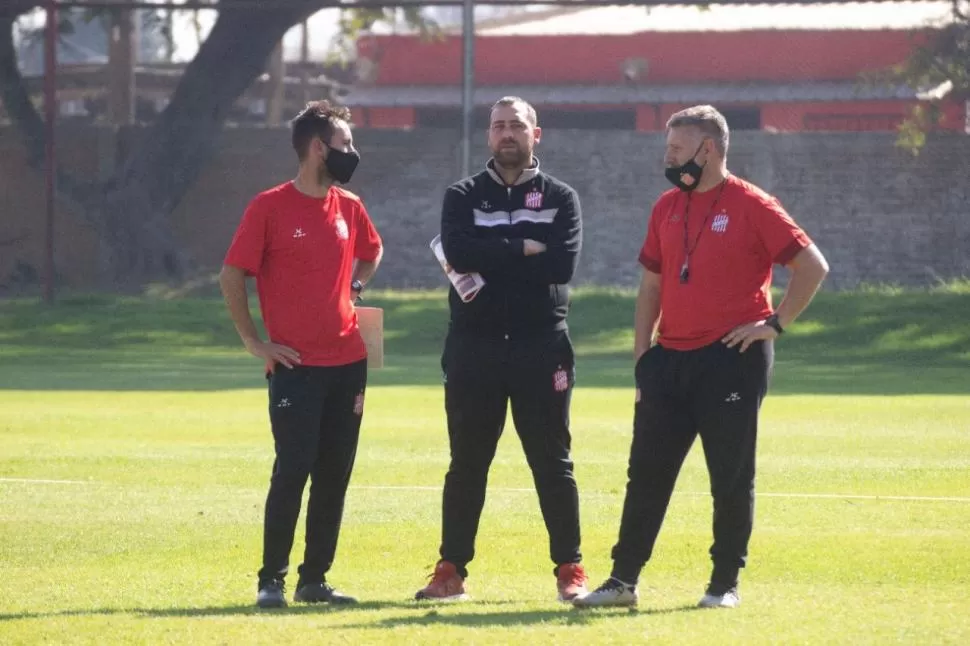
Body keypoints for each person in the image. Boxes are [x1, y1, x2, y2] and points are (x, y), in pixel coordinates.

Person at [575, 105, 829, 610]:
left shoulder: (752, 203)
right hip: (669, 361)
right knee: (645, 473)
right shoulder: (666, 206)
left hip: (732, 358)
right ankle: (622, 582)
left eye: (675, 148)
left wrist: (773, 325)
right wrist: (642, 356)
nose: (667, 157)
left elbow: (812, 265)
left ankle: (723, 585)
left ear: (706, 148)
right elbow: (651, 284)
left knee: (730, 475)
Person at [414, 96, 589, 602]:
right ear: (487, 136)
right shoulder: (462, 194)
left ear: (537, 134)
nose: (507, 133)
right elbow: (459, 251)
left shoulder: (561, 196)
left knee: (552, 461)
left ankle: (570, 570)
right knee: (466, 462)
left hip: (542, 347)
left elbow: (561, 266)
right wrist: (522, 247)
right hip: (475, 348)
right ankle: (450, 572)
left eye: (517, 125)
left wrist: (496, 255)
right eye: (498, 126)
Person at [219, 100, 384, 609]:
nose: (352, 153)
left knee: (335, 473)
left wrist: (354, 286)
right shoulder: (269, 206)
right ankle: (272, 579)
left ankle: (315, 579)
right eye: (345, 144)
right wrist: (255, 342)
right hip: (295, 366)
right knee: (293, 467)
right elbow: (232, 275)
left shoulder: (349, 206)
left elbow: (373, 251)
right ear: (318, 147)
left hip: (349, 362)